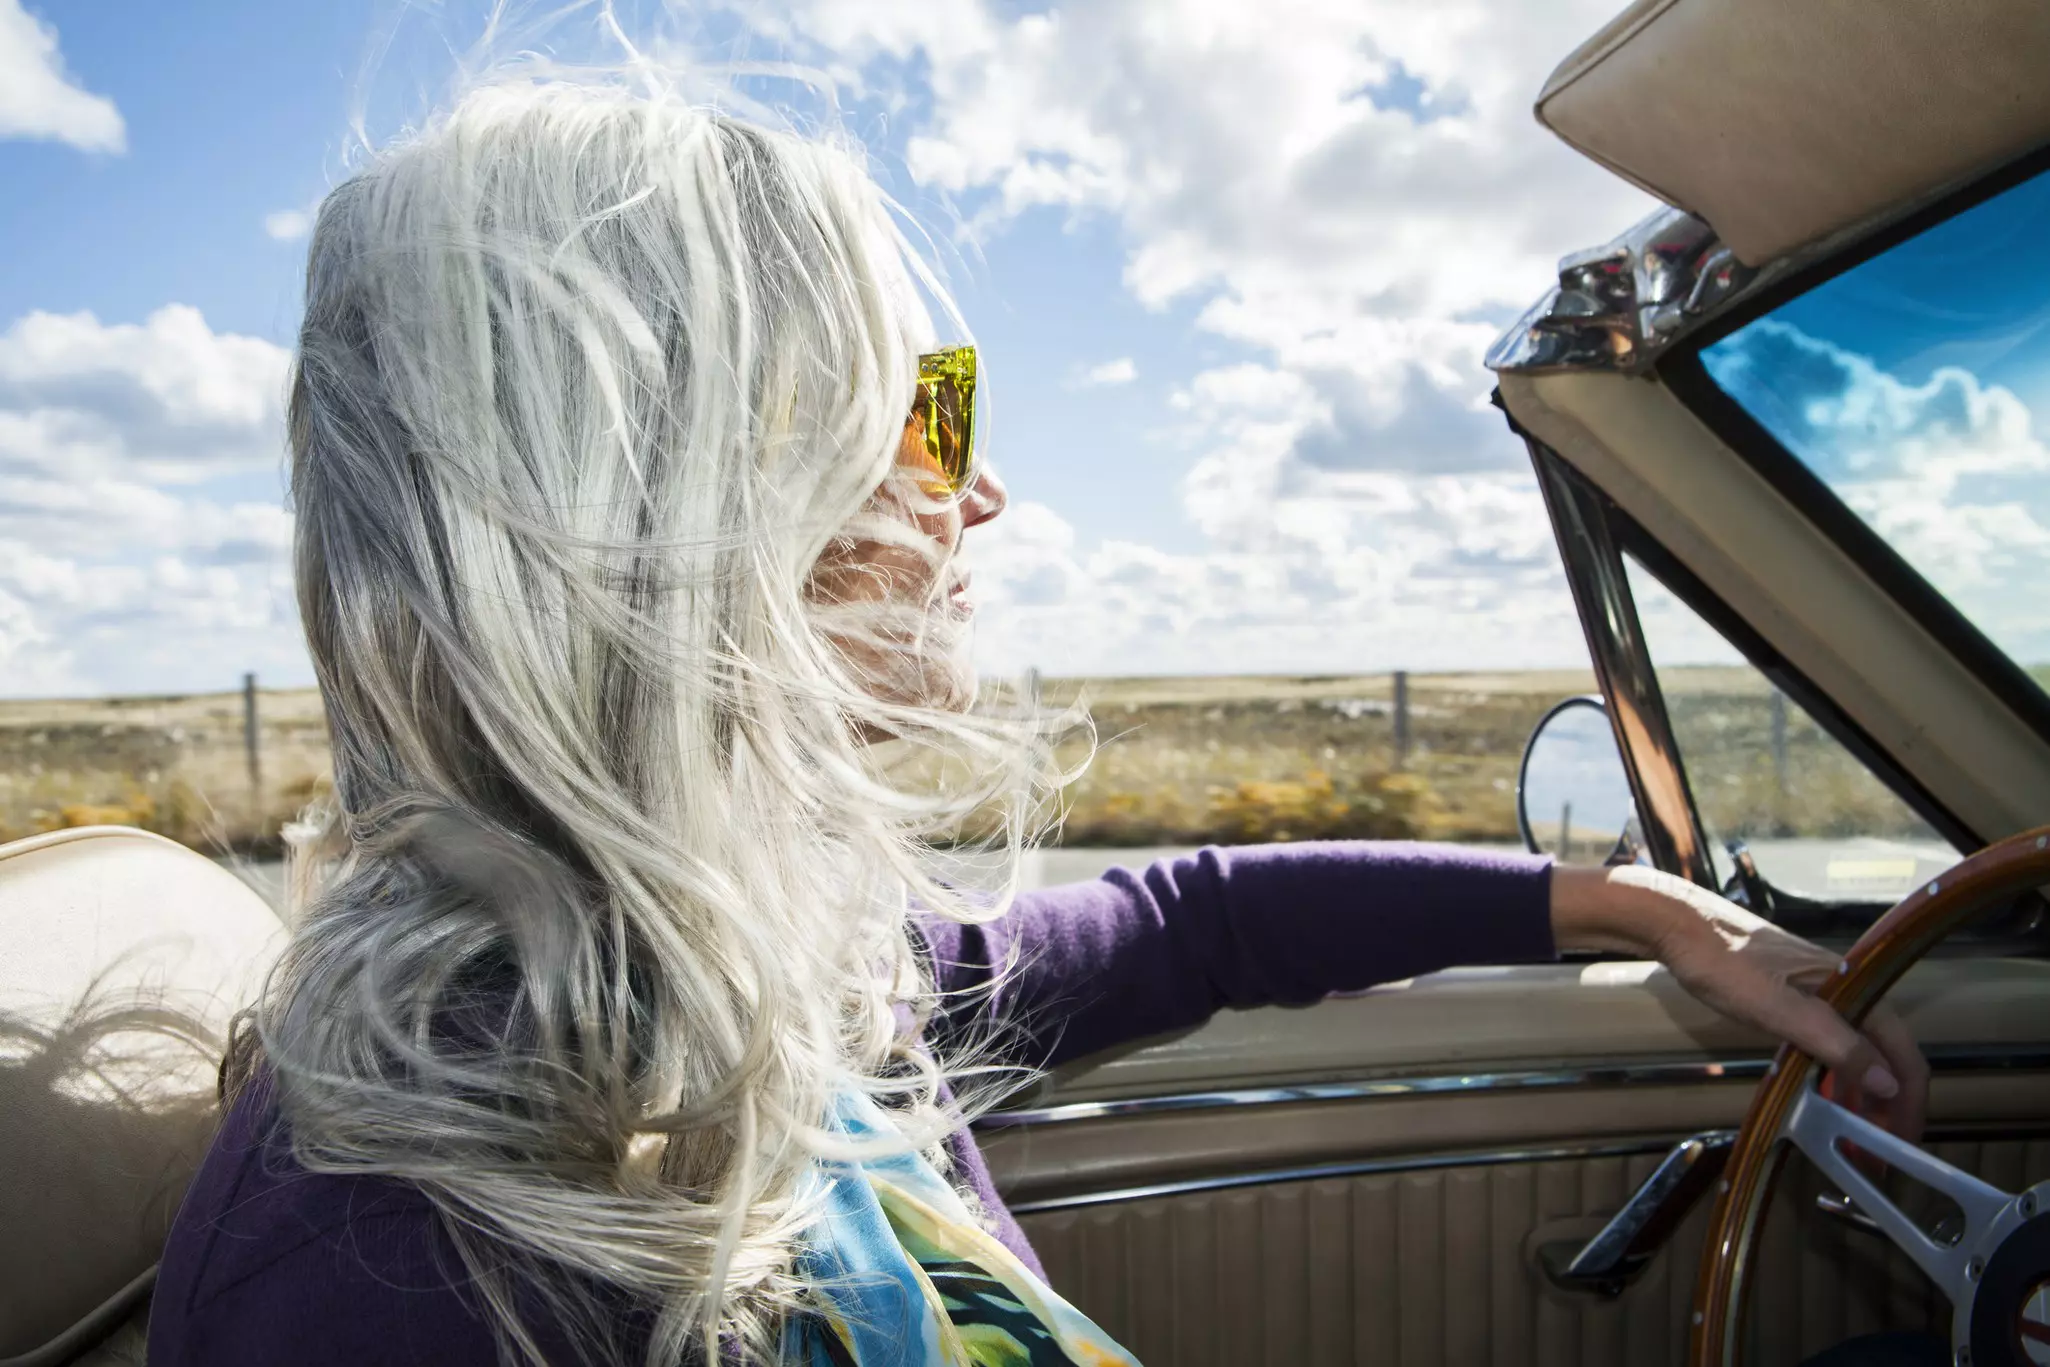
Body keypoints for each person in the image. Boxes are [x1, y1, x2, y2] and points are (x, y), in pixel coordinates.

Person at [149, 69, 1931, 1367]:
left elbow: (1189, 918)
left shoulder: (731, 983)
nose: (974, 487)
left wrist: (1618, 905)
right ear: (675, 499)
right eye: (916, 413)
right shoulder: (383, 1274)